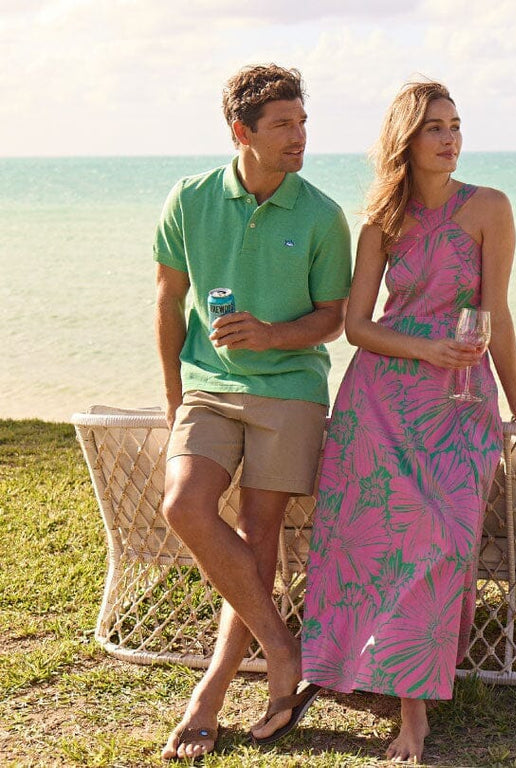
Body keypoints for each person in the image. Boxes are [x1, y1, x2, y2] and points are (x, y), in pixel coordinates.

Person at [300, 80, 516, 763]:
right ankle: (407, 710)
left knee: (443, 542)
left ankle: (404, 674)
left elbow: (497, 314)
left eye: (456, 125)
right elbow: (357, 327)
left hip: (460, 402)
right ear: (407, 140)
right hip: (380, 405)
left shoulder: (489, 208)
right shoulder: (380, 222)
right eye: (434, 128)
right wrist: (425, 347)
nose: (450, 138)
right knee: (376, 544)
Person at [153, 64, 352, 760]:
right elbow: (167, 302)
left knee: (259, 532)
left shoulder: (323, 214)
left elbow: (333, 318)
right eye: (284, 126)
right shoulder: (190, 199)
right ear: (242, 132)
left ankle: (210, 692)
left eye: (303, 122)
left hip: (291, 388)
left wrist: (271, 334)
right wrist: (178, 403)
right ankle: (279, 647)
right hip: (208, 387)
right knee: (184, 504)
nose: (301, 137)